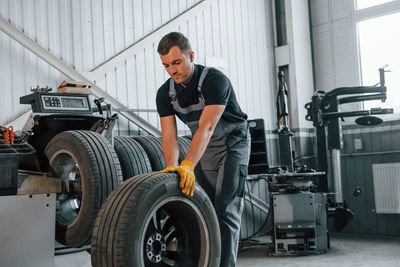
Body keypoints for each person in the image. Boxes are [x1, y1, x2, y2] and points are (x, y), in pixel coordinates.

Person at [156, 32, 250, 267]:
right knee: (202, 210)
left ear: (191, 56)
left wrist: (188, 164)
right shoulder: (164, 93)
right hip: (204, 149)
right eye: (166, 65)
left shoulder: (215, 80)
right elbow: (169, 137)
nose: (172, 70)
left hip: (233, 144)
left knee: (226, 210)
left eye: (176, 62)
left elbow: (207, 127)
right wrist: (172, 166)